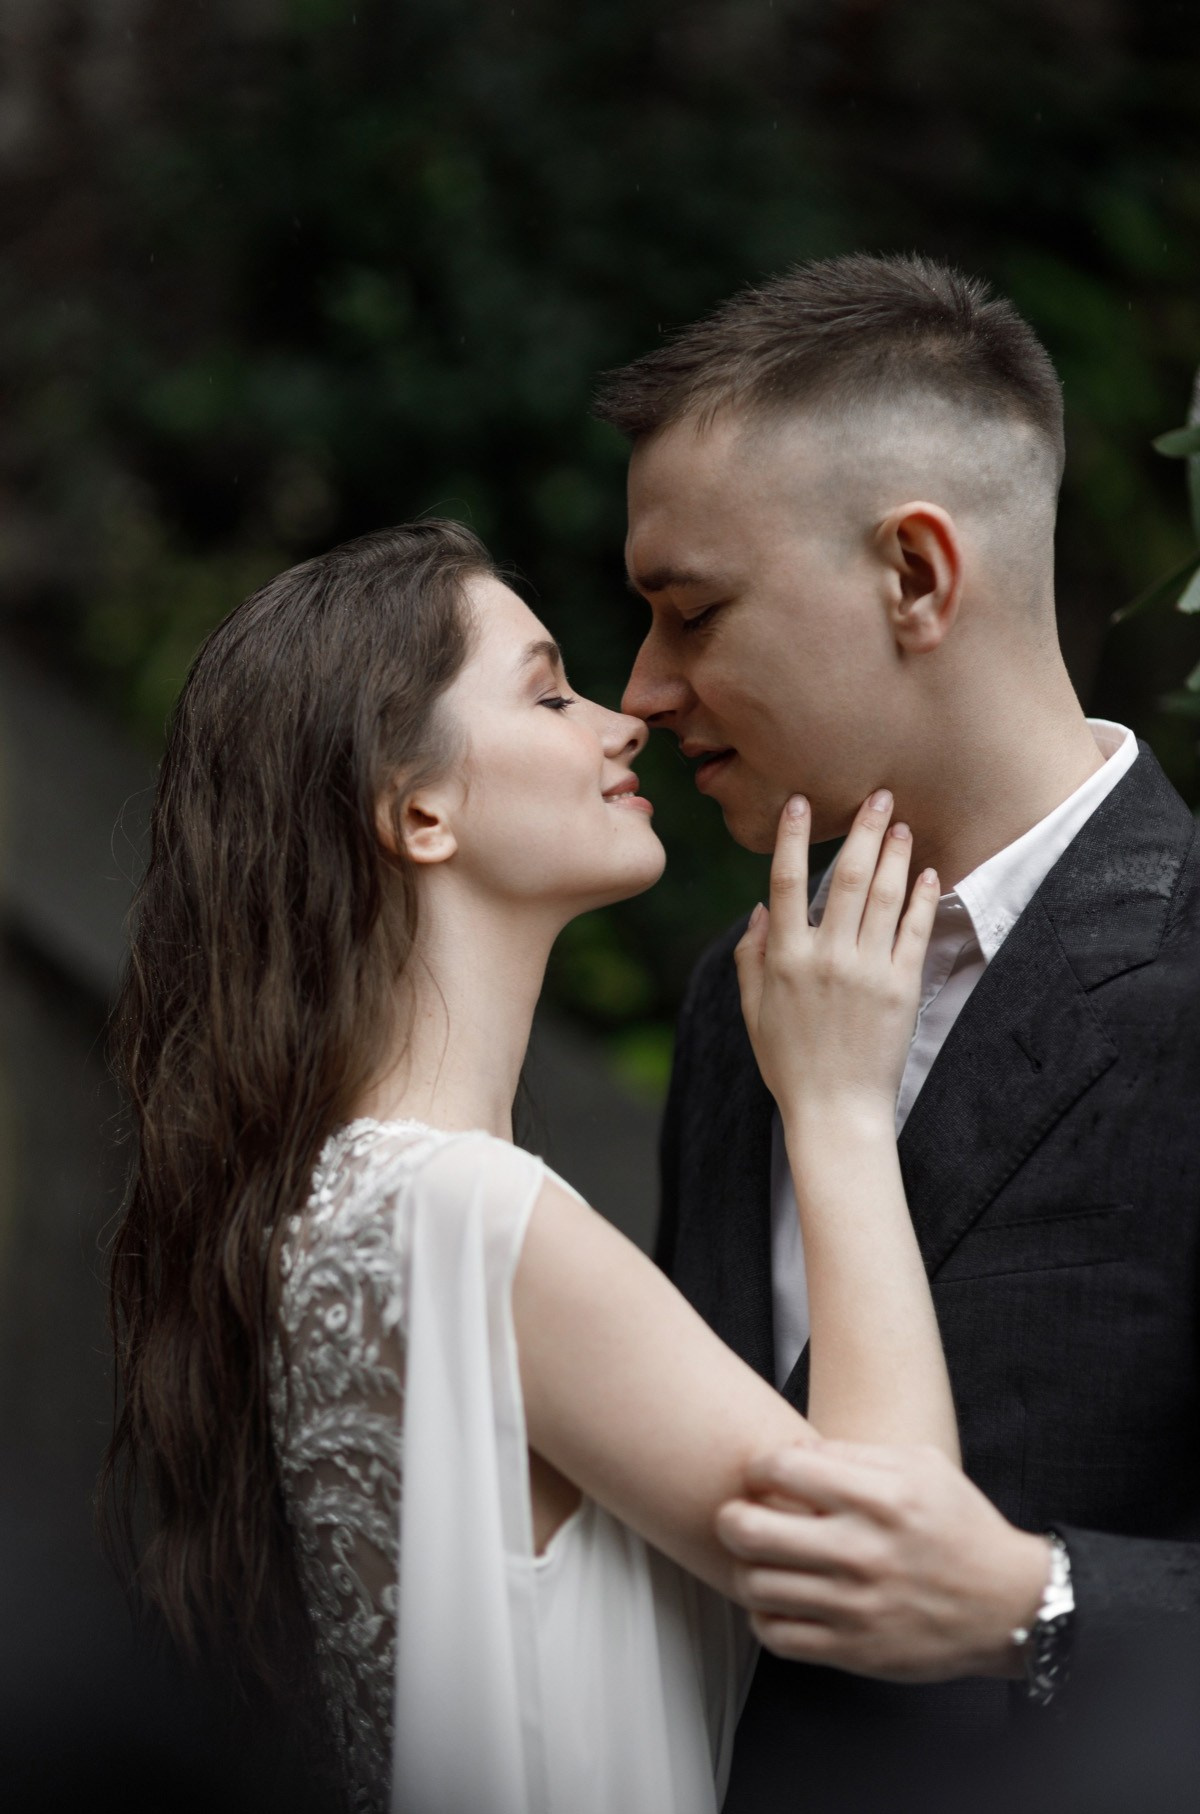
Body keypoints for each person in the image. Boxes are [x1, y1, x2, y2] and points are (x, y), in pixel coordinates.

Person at [101, 520, 965, 1814]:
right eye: (550, 690)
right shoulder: (473, 1215)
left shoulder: (326, 1209)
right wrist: (838, 1106)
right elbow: (899, 1561)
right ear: (421, 808)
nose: (621, 722)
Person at [599, 252, 1200, 1807]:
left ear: (918, 578)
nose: (644, 689)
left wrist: (1034, 1601)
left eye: (692, 612)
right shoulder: (743, 996)